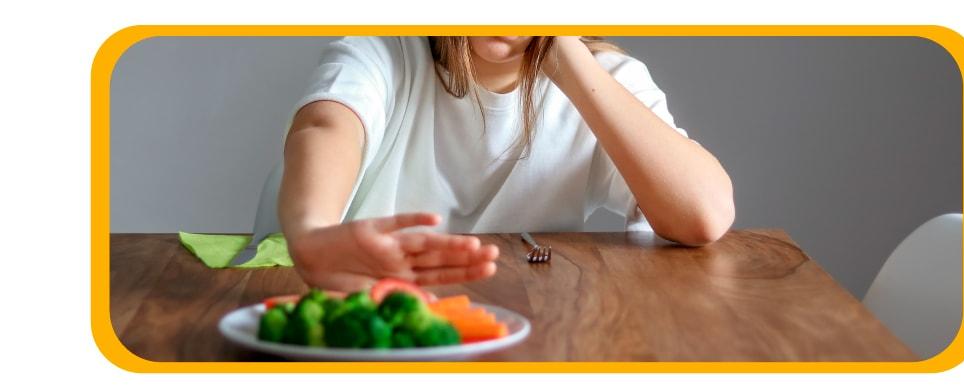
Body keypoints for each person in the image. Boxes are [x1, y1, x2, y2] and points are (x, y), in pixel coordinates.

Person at [278, 36, 735, 292]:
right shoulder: (384, 50)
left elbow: (704, 214)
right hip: (374, 308)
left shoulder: (606, 77)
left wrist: (569, 62)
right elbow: (326, 126)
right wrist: (313, 231)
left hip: (535, 328)